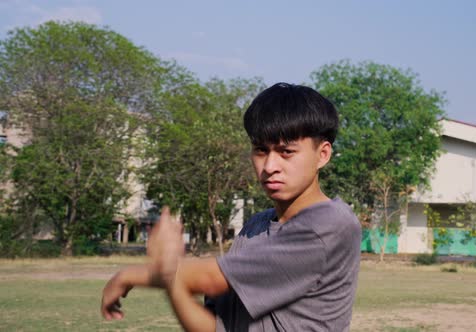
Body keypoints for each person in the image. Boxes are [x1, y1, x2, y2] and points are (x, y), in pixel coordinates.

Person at [101, 83, 362, 331]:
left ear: (323, 154)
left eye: (286, 152)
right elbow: (214, 327)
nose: (270, 166)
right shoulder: (254, 228)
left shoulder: (330, 225)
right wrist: (172, 281)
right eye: (261, 150)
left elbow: (209, 279)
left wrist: (131, 274)